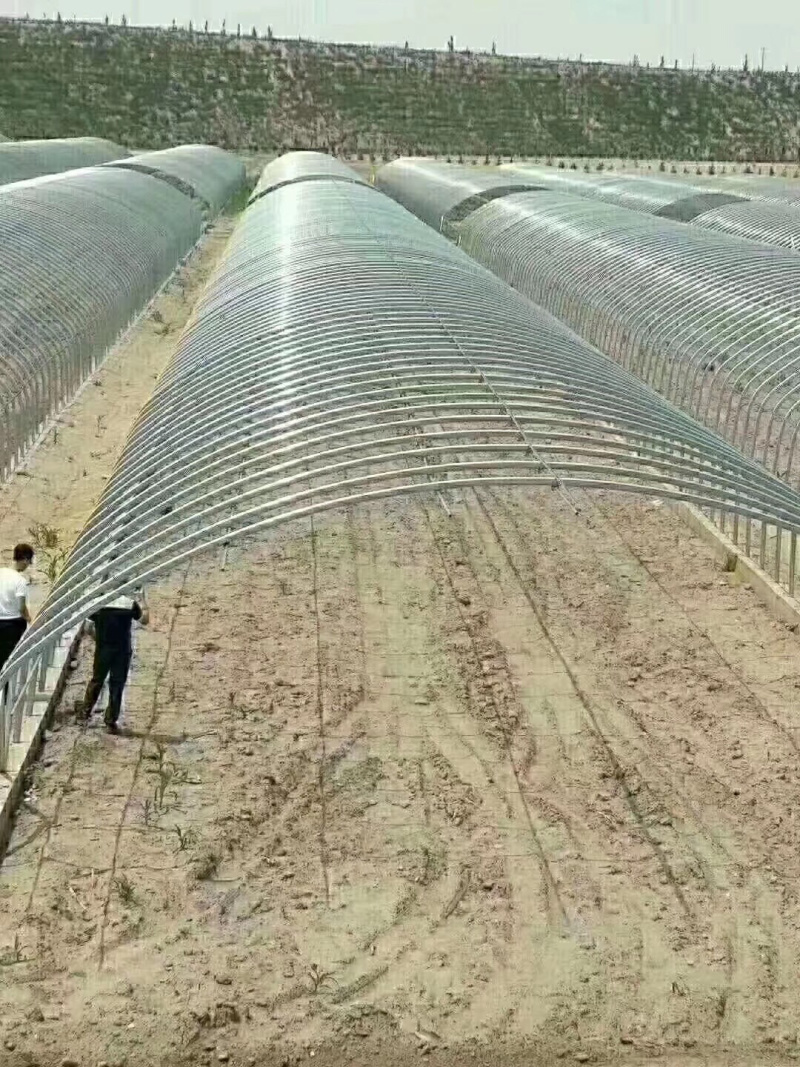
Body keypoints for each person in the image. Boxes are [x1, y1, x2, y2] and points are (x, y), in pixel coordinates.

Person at [79, 586, 149, 733]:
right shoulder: (128, 603)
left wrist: (98, 638)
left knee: (97, 679)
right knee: (117, 684)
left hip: (104, 648)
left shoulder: (99, 603)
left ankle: (85, 713)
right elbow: (144, 620)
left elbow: (87, 627)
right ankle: (111, 721)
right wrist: (142, 601)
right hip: (122, 650)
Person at [0, 543, 34, 675]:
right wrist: (29, 618)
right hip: (11, 625)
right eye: (29, 562)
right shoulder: (19, 581)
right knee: (7, 663)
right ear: (25, 559)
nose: (28, 566)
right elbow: (21, 607)